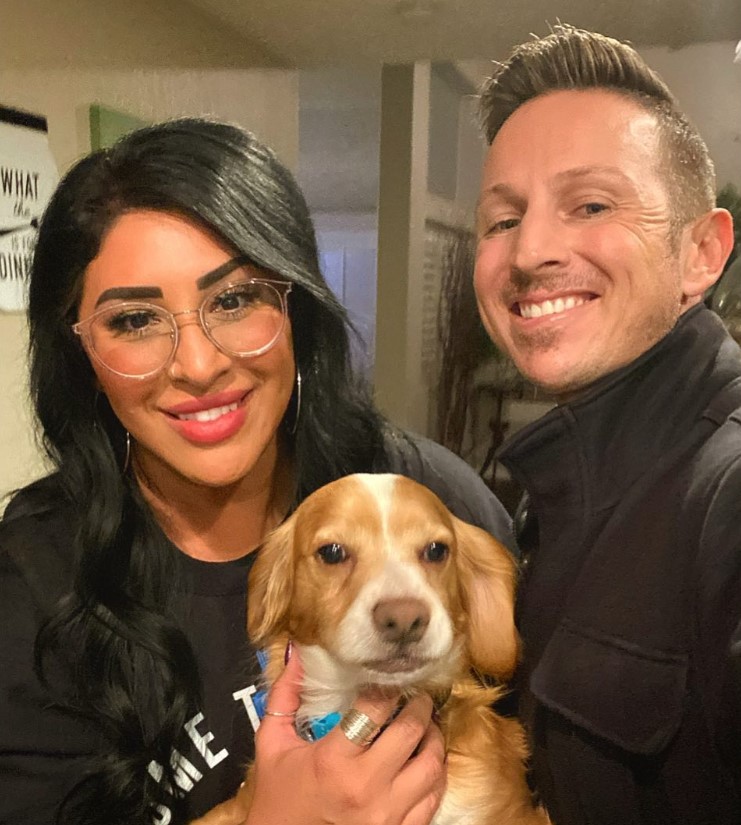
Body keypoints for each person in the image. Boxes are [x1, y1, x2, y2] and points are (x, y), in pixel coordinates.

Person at [0, 118, 513, 825]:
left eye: (235, 299)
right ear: (80, 352)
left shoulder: (430, 499)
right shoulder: (33, 580)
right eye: (134, 320)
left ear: (295, 307)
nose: (199, 364)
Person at [473, 23, 740, 825]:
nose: (529, 251)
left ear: (700, 252)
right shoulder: (556, 495)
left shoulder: (727, 493)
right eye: (500, 219)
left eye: (589, 204)